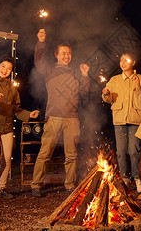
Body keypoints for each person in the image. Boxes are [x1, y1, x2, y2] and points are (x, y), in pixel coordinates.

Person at [31, 29, 90, 197]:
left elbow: (85, 93)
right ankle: (36, 185)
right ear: (56, 55)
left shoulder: (76, 74)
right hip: (54, 117)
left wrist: (85, 75)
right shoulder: (49, 71)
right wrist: (41, 42)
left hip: (72, 118)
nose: (66, 56)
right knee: (45, 153)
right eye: (63, 53)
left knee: (71, 155)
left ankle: (70, 185)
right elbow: (39, 60)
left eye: (69, 54)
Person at [0, 55, 39, 201]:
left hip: (6, 125)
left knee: (7, 159)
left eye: (9, 68)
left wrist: (30, 115)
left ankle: (1, 189)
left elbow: (16, 108)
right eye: (3, 66)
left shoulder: (11, 87)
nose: (6, 70)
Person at [102, 53, 141, 193]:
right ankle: (125, 179)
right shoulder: (115, 80)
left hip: (136, 120)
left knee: (134, 151)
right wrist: (106, 94)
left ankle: (137, 178)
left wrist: (138, 87)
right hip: (119, 120)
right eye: (121, 60)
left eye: (126, 60)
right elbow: (108, 99)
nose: (123, 63)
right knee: (121, 152)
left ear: (133, 62)